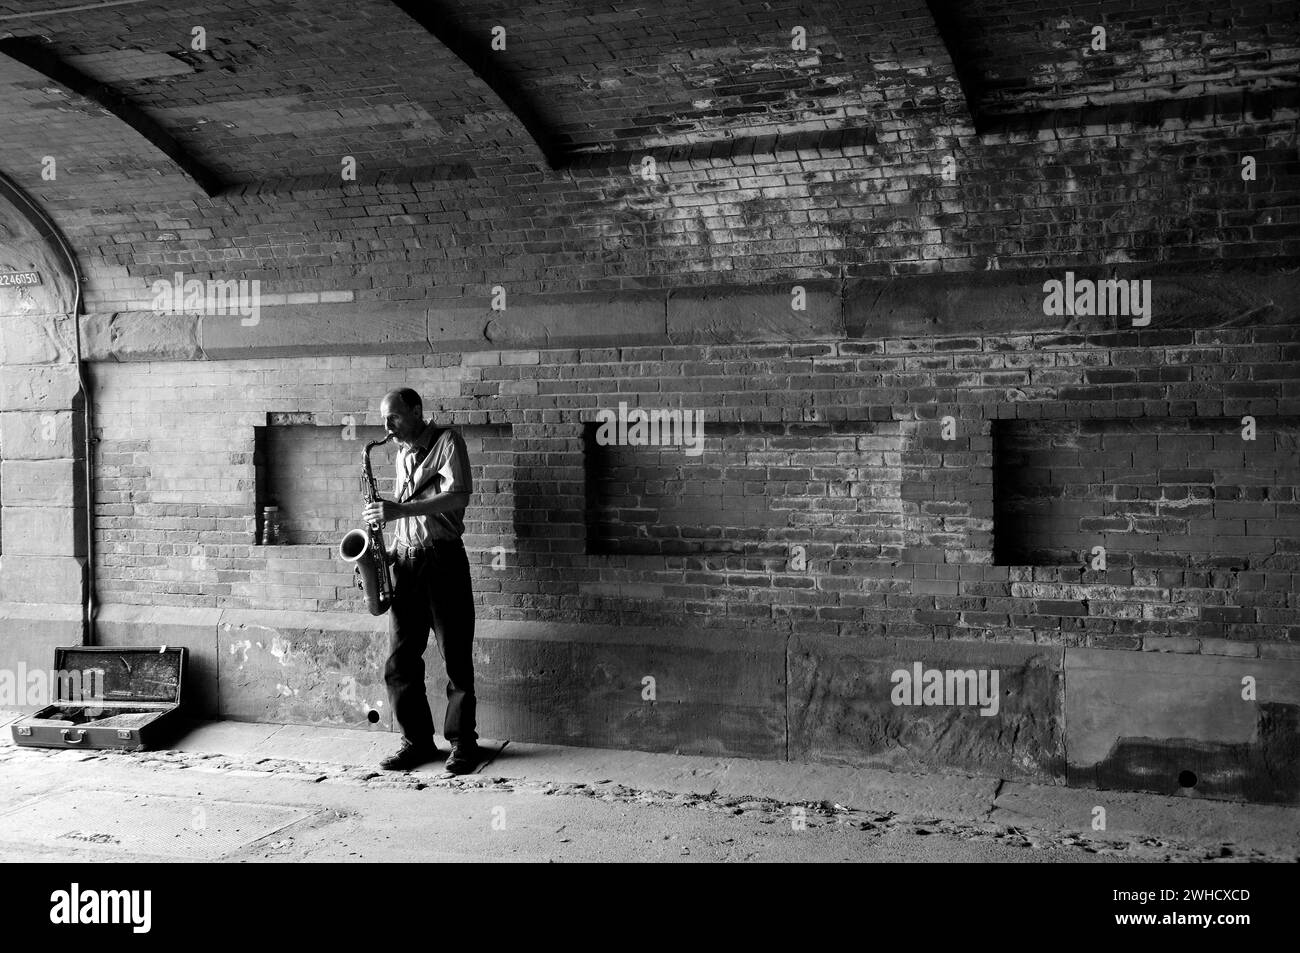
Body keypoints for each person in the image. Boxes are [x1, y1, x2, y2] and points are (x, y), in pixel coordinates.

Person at [362, 387, 480, 775]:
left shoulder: (448, 441)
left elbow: (458, 496)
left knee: (456, 659)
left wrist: (399, 509)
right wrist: (387, 553)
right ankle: (416, 741)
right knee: (399, 663)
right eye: (384, 419)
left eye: (393, 417)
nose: (386, 426)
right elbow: (407, 519)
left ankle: (463, 744)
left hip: (443, 562)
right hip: (407, 566)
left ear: (416, 411)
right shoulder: (401, 454)